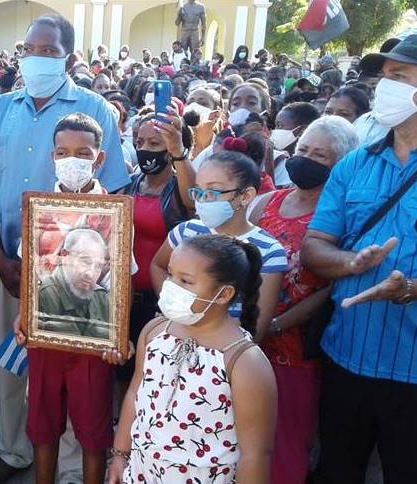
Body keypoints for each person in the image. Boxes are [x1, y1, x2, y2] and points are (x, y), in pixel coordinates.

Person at [0, 13, 130, 484]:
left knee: (76, 361)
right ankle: (14, 452)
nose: (35, 59)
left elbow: (113, 198)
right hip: (6, 264)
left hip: (73, 271)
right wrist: (0, 261)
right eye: (28, 49)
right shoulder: (3, 108)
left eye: (48, 51)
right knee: (14, 360)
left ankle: (73, 468)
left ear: (69, 58)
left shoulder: (94, 108)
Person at [300, 35, 417, 483]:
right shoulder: (354, 166)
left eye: (400, 77)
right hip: (345, 357)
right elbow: (314, 247)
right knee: (337, 471)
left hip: (411, 370)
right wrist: (349, 263)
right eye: (386, 76)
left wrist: (408, 289)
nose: (385, 86)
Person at [109, 234, 277, 484]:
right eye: (170, 275)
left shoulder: (244, 362)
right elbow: (135, 393)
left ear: (223, 294)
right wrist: (120, 455)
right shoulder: (154, 332)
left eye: (185, 281)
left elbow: (255, 455)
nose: (170, 286)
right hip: (143, 473)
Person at [248, 116, 359, 484]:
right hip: (246, 343)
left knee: (285, 443)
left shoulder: (338, 220)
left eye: (320, 156)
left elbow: (330, 287)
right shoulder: (265, 203)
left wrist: (276, 324)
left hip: (294, 350)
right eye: (303, 150)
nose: (306, 159)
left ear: (340, 165)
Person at [150, 152, 288, 346]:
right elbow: (158, 265)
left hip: (226, 349)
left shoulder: (270, 252)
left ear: (245, 196)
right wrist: (173, 304)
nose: (202, 200)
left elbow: (256, 326)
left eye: (213, 192)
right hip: (176, 337)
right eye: (198, 191)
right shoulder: (187, 231)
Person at [120, 108, 195, 386]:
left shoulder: (179, 187)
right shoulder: (129, 184)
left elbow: (194, 200)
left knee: (154, 374)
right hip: (124, 295)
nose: (144, 149)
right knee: (123, 367)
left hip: (161, 298)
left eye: (154, 143)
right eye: (139, 142)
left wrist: (179, 153)